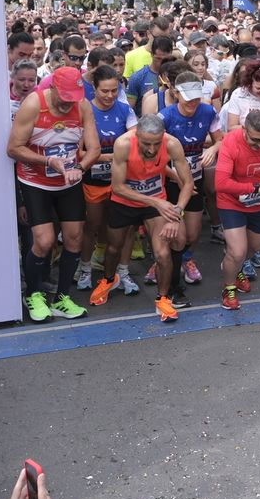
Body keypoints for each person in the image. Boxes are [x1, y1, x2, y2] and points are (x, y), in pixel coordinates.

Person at [7, 66, 98, 323]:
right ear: (53, 87)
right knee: (44, 241)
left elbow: (94, 148)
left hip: (68, 182)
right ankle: (33, 294)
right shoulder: (34, 103)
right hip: (36, 182)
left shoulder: (82, 106)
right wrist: (48, 162)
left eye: (74, 96)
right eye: (65, 96)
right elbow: (13, 148)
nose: (69, 101)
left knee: (74, 239)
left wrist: (79, 168)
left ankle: (61, 298)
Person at [97, 114, 192, 321]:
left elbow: (188, 183)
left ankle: (163, 299)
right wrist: (156, 202)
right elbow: (118, 187)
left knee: (162, 253)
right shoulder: (123, 143)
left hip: (156, 202)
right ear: (136, 134)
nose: (151, 149)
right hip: (125, 202)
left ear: (163, 136)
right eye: (146, 143)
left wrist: (176, 213)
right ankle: (108, 280)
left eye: (156, 144)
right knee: (114, 247)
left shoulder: (173, 144)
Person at [212, 110, 260, 310]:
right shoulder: (231, 141)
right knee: (237, 251)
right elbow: (220, 183)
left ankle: (235, 267)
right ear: (244, 130)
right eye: (255, 140)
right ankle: (228, 289)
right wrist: (255, 187)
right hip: (232, 202)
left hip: (258, 203)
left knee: (253, 248)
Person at [158, 73, 221, 297]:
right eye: (188, 100)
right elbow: (155, 161)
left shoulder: (208, 111)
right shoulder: (165, 117)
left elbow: (220, 139)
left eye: (196, 99)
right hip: (171, 181)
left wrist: (213, 149)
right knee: (178, 235)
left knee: (193, 235)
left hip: (196, 178)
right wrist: (180, 180)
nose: (193, 104)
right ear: (176, 94)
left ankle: (185, 259)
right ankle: (164, 266)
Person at [77, 65, 137, 293]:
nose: (110, 96)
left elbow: (136, 142)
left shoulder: (124, 110)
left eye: (114, 90)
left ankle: (123, 272)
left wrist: (104, 155)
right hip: (94, 180)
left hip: (122, 180)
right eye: (104, 91)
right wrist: (111, 156)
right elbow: (80, 153)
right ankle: (84, 270)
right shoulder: (85, 111)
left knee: (127, 228)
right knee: (91, 225)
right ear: (94, 89)